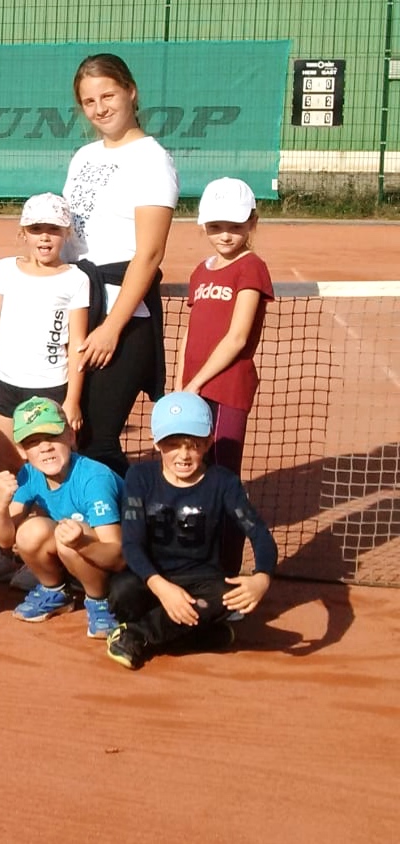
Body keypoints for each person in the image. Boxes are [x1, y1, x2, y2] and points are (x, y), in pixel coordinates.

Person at [62, 53, 178, 476]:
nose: (100, 108)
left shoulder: (151, 158)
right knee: (69, 431)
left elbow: (149, 253)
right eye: (89, 102)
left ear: (131, 92)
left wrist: (112, 327)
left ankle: (127, 537)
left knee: (100, 440)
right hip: (78, 303)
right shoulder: (84, 156)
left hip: (122, 314)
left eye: (107, 95)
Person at [106, 392, 277, 670]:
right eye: (173, 444)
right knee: (120, 592)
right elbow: (132, 544)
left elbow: (258, 532)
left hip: (200, 580)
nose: (183, 455)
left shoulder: (223, 482)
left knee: (222, 599)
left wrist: (262, 578)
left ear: (209, 442)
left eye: (193, 445)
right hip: (151, 576)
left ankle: (137, 635)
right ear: (157, 443)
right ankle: (197, 635)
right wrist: (162, 588)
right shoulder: (140, 478)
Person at [177, 177, 274, 576]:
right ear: (203, 226)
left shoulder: (252, 268)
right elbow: (190, 329)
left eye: (235, 226)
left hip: (227, 388)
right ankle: (199, 562)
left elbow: (236, 337)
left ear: (252, 222)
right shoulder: (201, 271)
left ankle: (229, 570)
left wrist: (197, 383)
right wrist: (182, 386)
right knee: (194, 474)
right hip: (193, 388)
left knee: (224, 478)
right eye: (216, 226)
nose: (225, 235)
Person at [0, 398, 124, 637]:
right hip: (79, 556)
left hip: (120, 569)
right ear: (22, 451)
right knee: (30, 532)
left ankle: (99, 600)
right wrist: (0, 505)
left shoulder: (95, 479)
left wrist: (80, 543)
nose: (44, 447)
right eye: (32, 442)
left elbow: (118, 556)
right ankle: (55, 591)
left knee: (68, 536)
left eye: (52, 437)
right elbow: (6, 541)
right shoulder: (29, 475)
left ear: (71, 436)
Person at [0, 193, 89, 468]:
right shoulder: (4, 269)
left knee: (50, 466)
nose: (45, 237)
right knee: (9, 464)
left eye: (53, 230)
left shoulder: (77, 279)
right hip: (6, 384)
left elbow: (77, 343)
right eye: (36, 229)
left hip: (51, 386)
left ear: (67, 234)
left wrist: (72, 399)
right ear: (23, 233)